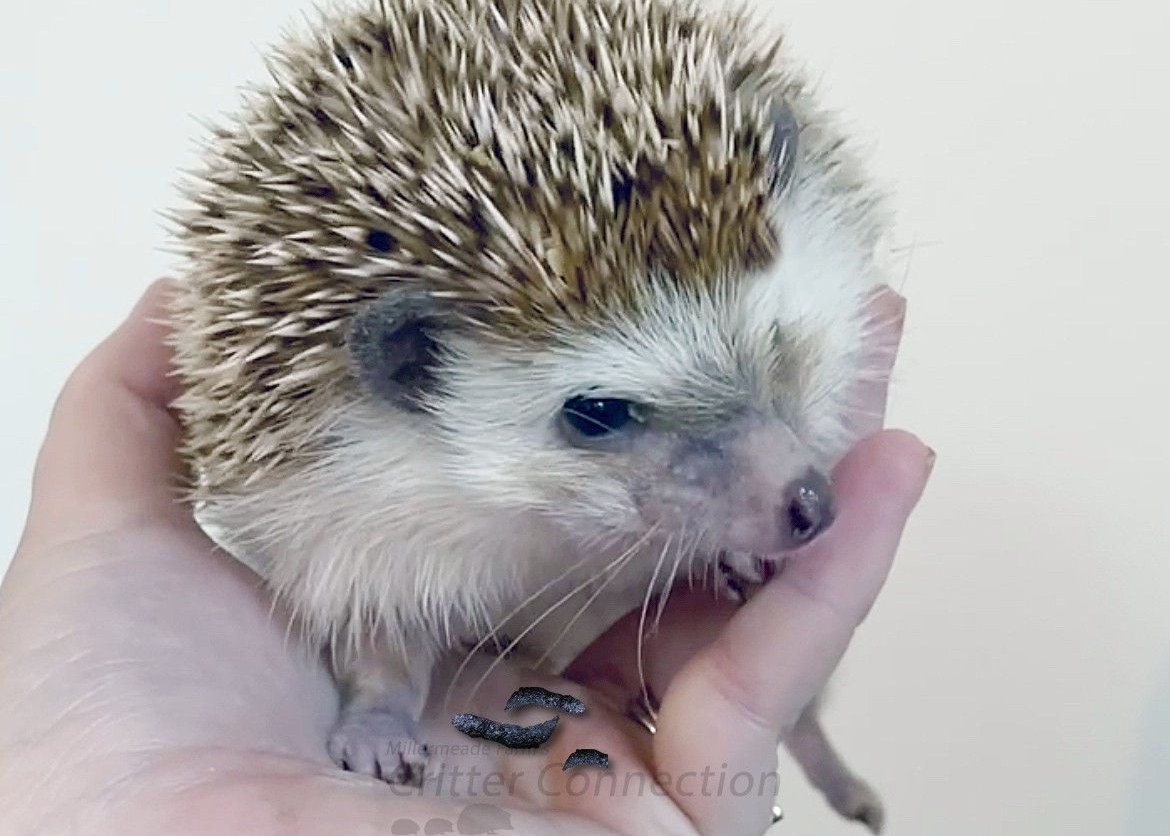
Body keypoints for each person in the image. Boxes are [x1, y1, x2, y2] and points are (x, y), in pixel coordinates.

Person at [0, 279, 933, 836]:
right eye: (601, 412)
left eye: (763, 349)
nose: (794, 485)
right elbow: (372, 601)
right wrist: (381, 698)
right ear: (416, 375)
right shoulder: (347, 497)